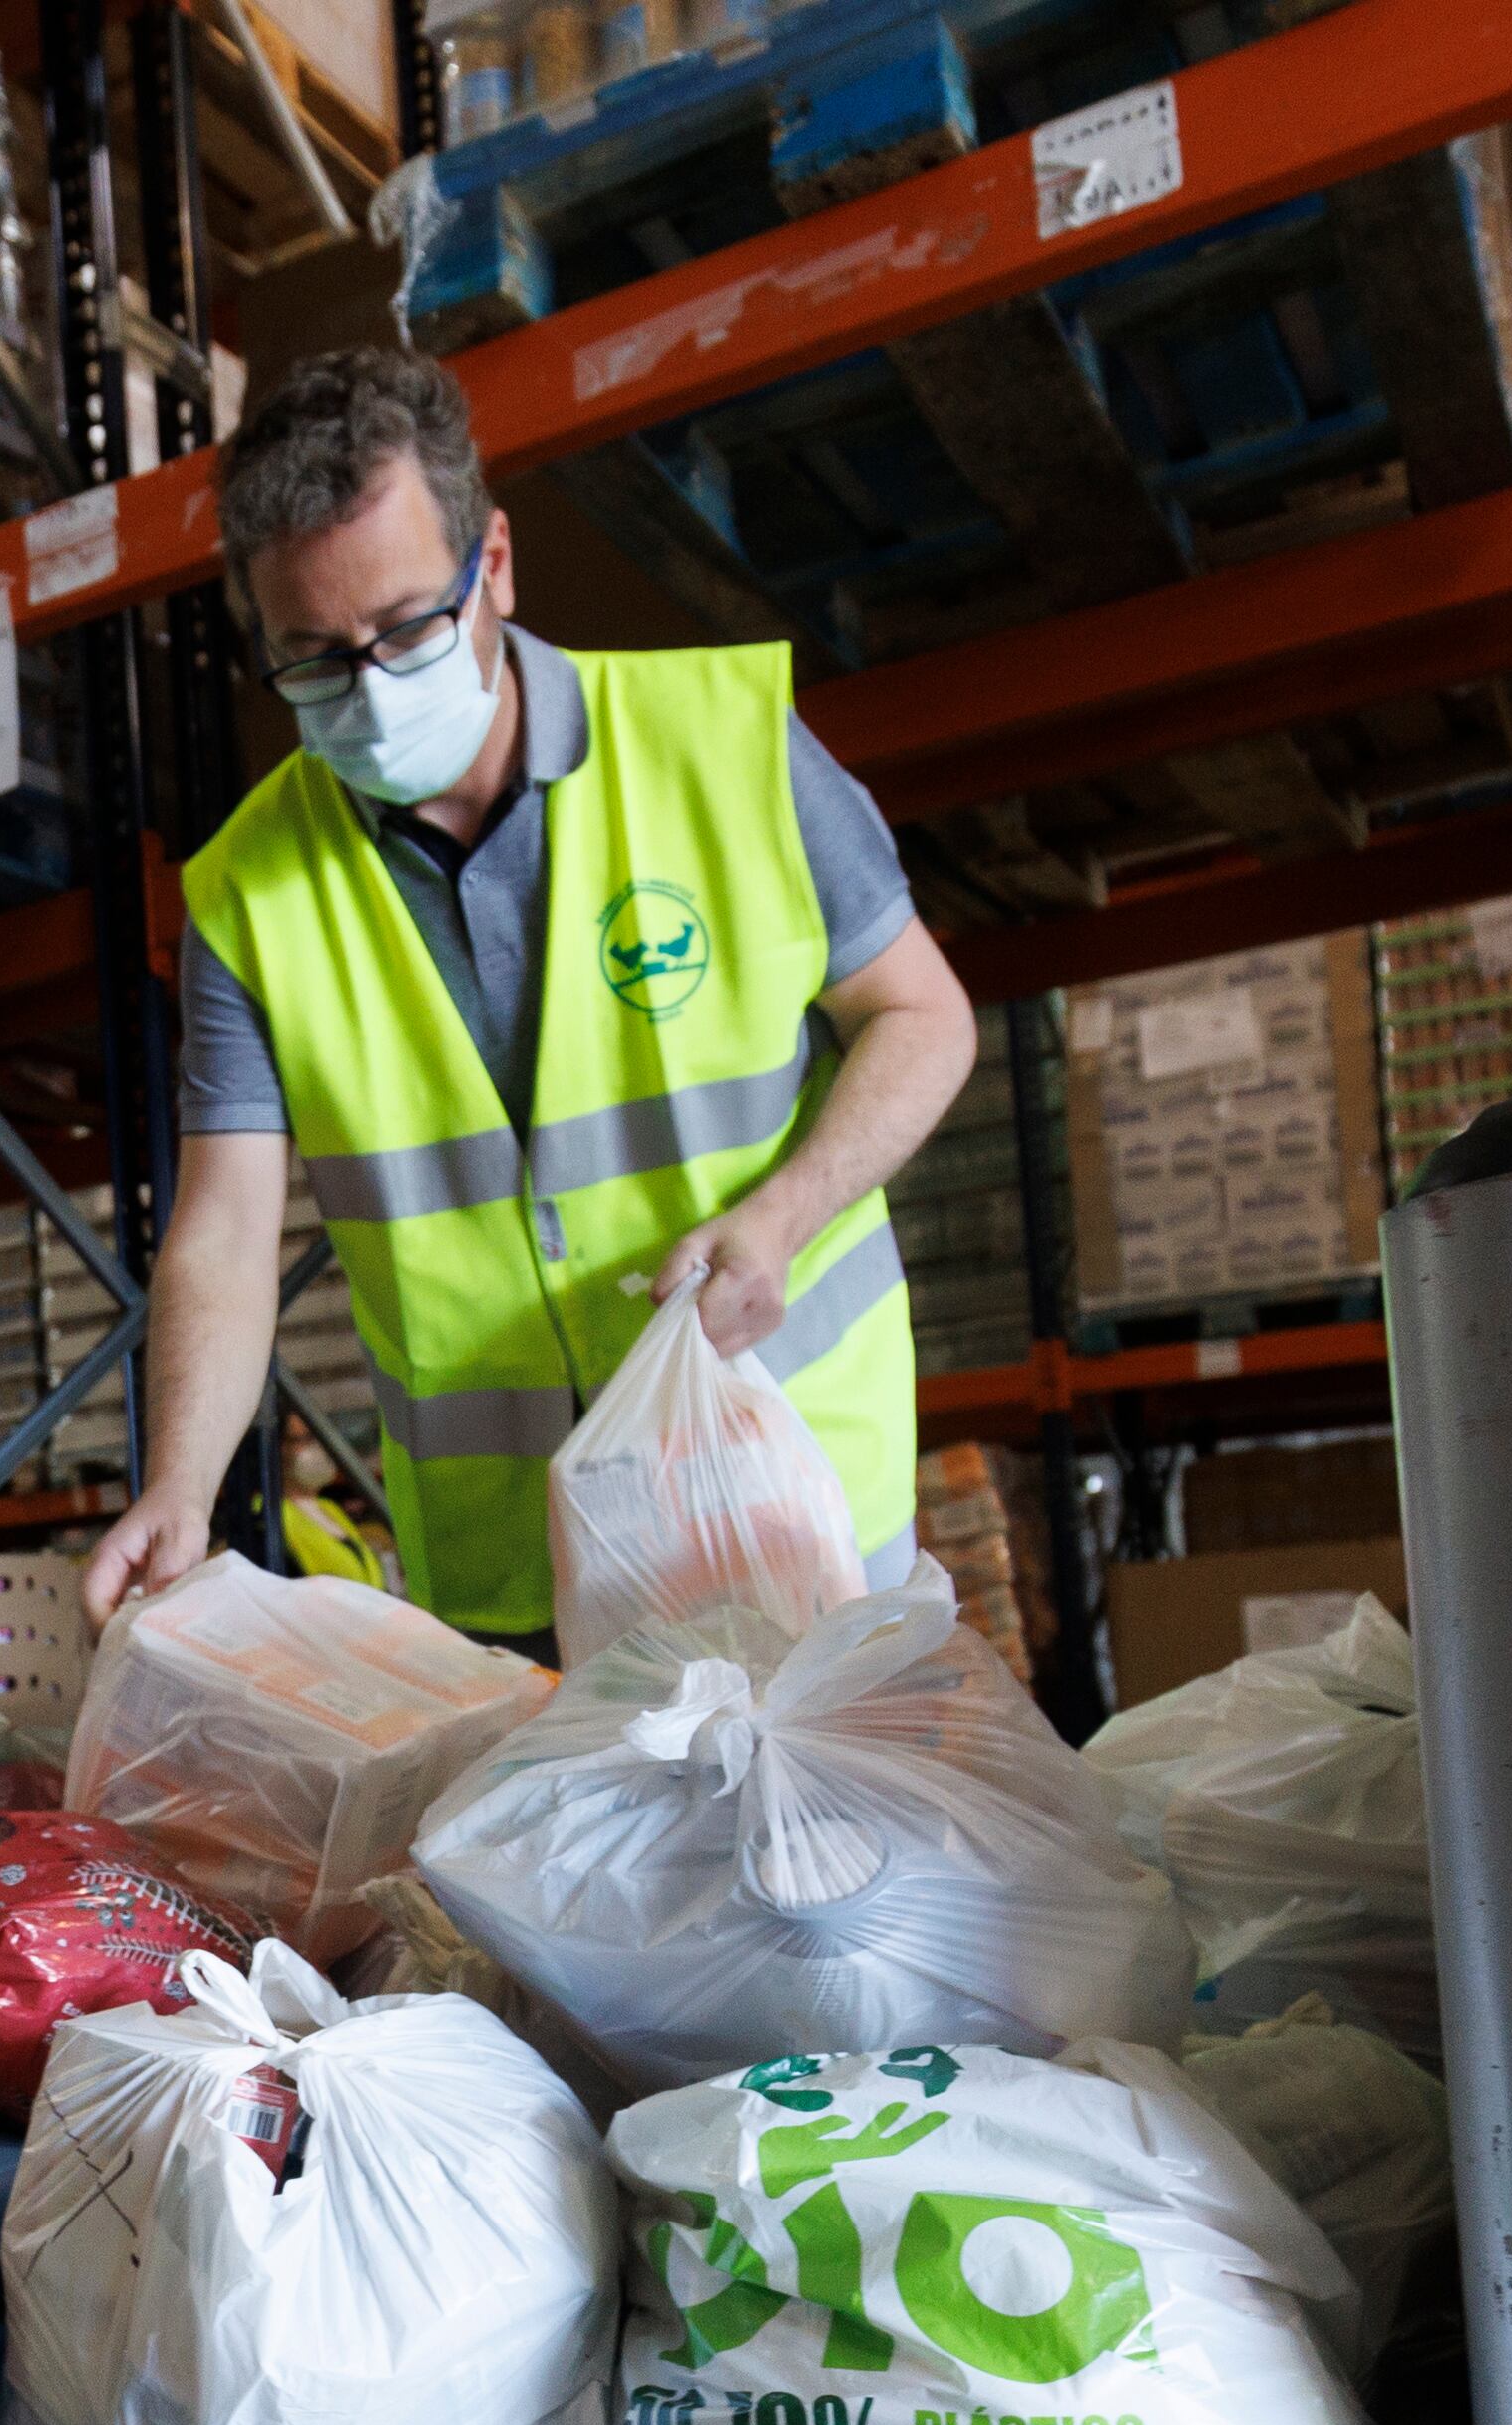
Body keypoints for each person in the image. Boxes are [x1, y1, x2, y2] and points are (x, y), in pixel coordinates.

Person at [80, 346, 977, 1657]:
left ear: (491, 562)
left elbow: (922, 1017)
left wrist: (782, 1215)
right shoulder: (246, 900)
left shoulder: (718, 743)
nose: (371, 693)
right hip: (518, 1589)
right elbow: (221, 1231)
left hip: (791, 1512)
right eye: (314, 662)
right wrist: (177, 1485)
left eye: (402, 630)